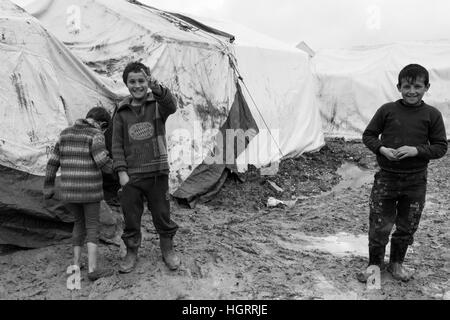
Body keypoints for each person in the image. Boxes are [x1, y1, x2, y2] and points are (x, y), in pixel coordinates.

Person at [359, 64, 448, 282]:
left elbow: (440, 147)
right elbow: (369, 135)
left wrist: (416, 150)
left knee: (407, 226)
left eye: (418, 86)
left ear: (427, 87)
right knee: (379, 225)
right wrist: (382, 149)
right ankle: (374, 267)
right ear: (399, 87)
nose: (412, 91)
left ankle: (397, 264)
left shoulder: (432, 115)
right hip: (386, 178)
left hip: (416, 182)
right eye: (407, 86)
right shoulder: (387, 110)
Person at [112, 61, 180, 273]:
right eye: (132, 81)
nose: (137, 85)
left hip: (157, 173)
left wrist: (157, 87)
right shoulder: (121, 111)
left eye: (141, 81)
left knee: (162, 213)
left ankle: (167, 250)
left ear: (147, 82)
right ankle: (132, 252)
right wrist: (122, 173)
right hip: (131, 176)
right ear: (126, 84)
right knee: (131, 216)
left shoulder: (158, 104)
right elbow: (116, 145)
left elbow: (172, 105)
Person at [43, 107, 115, 281]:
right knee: (92, 226)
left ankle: (75, 263)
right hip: (89, 189)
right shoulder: (96, 134)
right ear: (102, 125)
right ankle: (92, 270)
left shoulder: (65, 133)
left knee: (78, 224)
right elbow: (102, 162)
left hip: (68, 190)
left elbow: (53, 162)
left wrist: (49, 185)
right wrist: (118, 168)